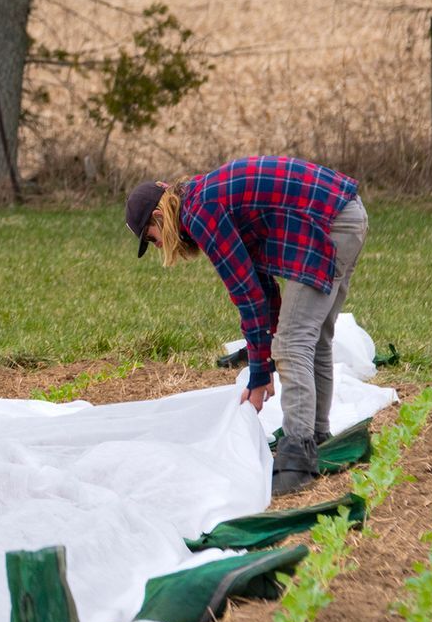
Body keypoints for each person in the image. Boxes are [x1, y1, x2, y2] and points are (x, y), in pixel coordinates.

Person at [124, 156, 368, 496]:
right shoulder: (203, 196)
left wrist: (259, 375)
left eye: (151, 238)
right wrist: (262, 362)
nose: (160, 246)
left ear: (159, 217)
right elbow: (262, 286)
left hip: (327, 223)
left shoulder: (201, 213)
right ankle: (316, 436)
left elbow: (247, 294)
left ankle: (298, 455)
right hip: (344, 210)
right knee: (311, 338)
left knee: (293, 342)